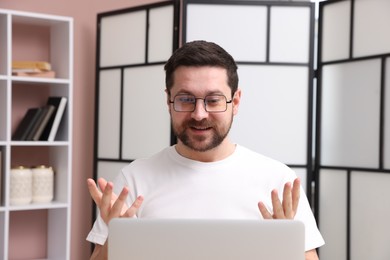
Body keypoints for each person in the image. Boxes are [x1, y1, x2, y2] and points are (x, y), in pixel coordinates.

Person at [86, 40, 325, 260]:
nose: (199, 114)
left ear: (236, 101)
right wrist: (115, 242)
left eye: (213, 100)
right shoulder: (134, 179)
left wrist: (282, 247)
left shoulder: (278, 180)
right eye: (186, 99)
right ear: (169, 101)